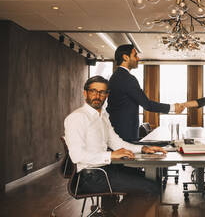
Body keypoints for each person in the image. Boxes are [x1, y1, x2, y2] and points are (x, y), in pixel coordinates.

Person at [64, 76, 167, 215]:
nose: (97, 95)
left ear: (107, 95)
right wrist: (111, 155)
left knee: (154, 181)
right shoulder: (77, 118)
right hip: (89, 177)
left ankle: (112, 213)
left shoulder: (103, 117)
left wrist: (143, 148)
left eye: (102, 92)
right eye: (93, 91)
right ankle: (112, 214)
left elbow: (117, 142)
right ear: (85, 93)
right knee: (151, 187)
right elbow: (77, 156)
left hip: (106, 170)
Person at [107, 44, 183, 142]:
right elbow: (147, 104)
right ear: (125, 57)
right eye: (135, 55)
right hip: (124, 134)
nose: (138, 58)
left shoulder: (116, 76)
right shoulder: (127, 78)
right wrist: (173, 107)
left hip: (118, 131)